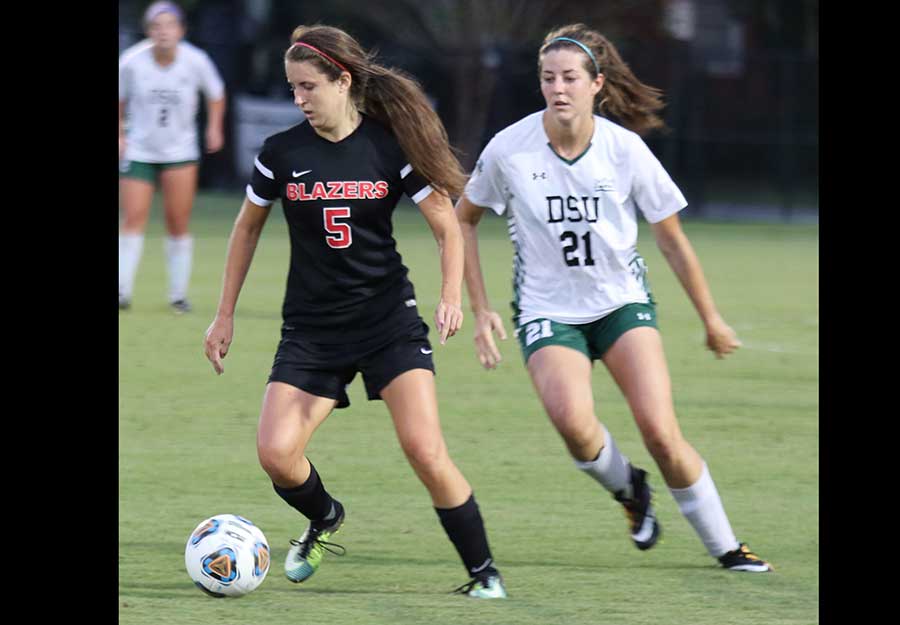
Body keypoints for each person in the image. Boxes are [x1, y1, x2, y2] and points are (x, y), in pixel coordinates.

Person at [203, 25, 507, 598]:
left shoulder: (389, 148)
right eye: (293, 89)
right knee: (276, 454)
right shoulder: (281, 154)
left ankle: (483, 573)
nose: (299, 99)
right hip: (312, 330)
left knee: (424, 449)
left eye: (309, 87)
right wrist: (224, 315)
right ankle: (324, 517)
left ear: (343, 81)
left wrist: (450, 297)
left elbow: (448, 228)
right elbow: (245, 230)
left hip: (387, 322)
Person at [455, 23, 772, 573]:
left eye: (570, 77)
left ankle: (728, 548)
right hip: (547, 309)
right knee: (575, 426)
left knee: (661, 433)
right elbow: (463, 221)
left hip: (621, 303)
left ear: (596, 84)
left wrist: (711, 318)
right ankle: (631, 492)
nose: (559, 87)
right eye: (548, 77)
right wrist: (480, 308)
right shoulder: (509, 148)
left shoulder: (625, 151)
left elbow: (671, 240)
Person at [118, 1, 226, 313]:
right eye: (156, 26)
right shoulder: (131, 61)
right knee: (133, 217)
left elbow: (216, 94)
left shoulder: (196, 61)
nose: (163, 32)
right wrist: (121, 135)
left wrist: (214, 128)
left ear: (181, 30)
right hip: (141, 149)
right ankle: (122, 290)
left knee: (177, 221)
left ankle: (178, 295)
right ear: (148, 30)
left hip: (180, 150)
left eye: (169, 25)